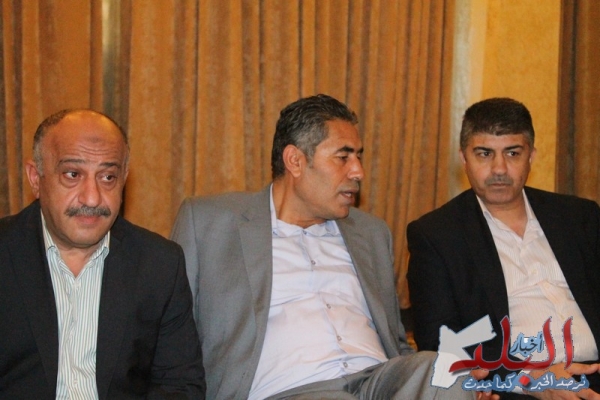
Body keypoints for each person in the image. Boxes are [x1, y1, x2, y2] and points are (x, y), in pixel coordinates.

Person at [171, 94, 476, 399]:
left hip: (378, 381)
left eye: (358, 157)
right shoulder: (210, 222)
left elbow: (395, 339)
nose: (358, 172)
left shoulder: (371, 233)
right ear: (295, 161)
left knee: (445, 370)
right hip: (290, 390)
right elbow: (173, 334)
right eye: (343, 157)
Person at [0, 109, 205, 398]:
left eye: (108, 177)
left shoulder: (159, 263)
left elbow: (180, 385)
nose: (92, 197)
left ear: (124, 179)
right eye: (73, 175)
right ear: (36, 178)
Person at [407, 97, 600, 399]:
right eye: (484, 154)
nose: (499, 168)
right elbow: (440, 343)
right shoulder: (436, 236)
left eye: (512, 153)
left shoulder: (579, 218)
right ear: (464, 158)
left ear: (531, 156)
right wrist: (530, 379)